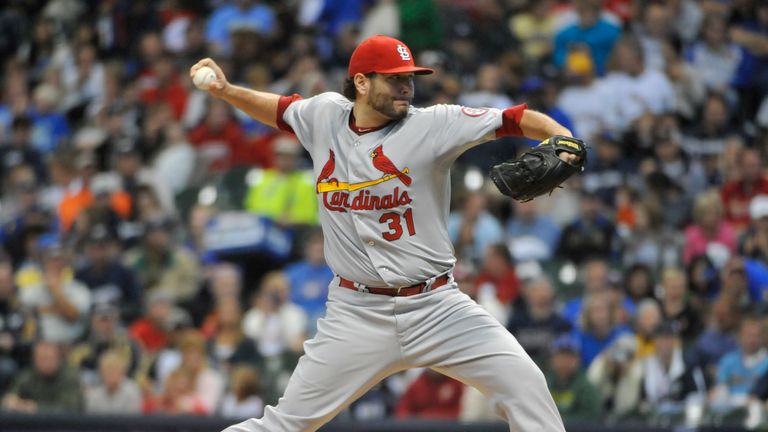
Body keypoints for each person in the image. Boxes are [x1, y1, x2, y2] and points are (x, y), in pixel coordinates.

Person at [193, 34, 578, 431]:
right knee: (284, 424)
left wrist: (561, 136)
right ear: (361, 82)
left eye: (409, 78)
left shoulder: (433, 124)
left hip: (437, 307)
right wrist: (226, 91)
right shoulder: (323, 114)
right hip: (357, 313)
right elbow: (278, 110)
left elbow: (514, 118)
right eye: (394, 79)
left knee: (526, 387)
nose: (406, 87)